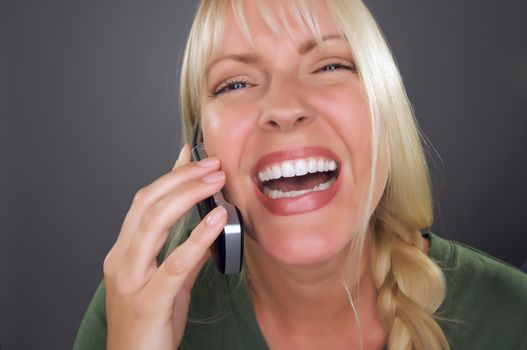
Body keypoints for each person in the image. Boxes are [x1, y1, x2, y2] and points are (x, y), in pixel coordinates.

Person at [73, 1, 527, 349]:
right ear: (200, 148)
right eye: (235, 83)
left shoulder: (513, 315)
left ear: (383, 112)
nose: (284, 109)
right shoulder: (138, 301)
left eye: (330, 65)